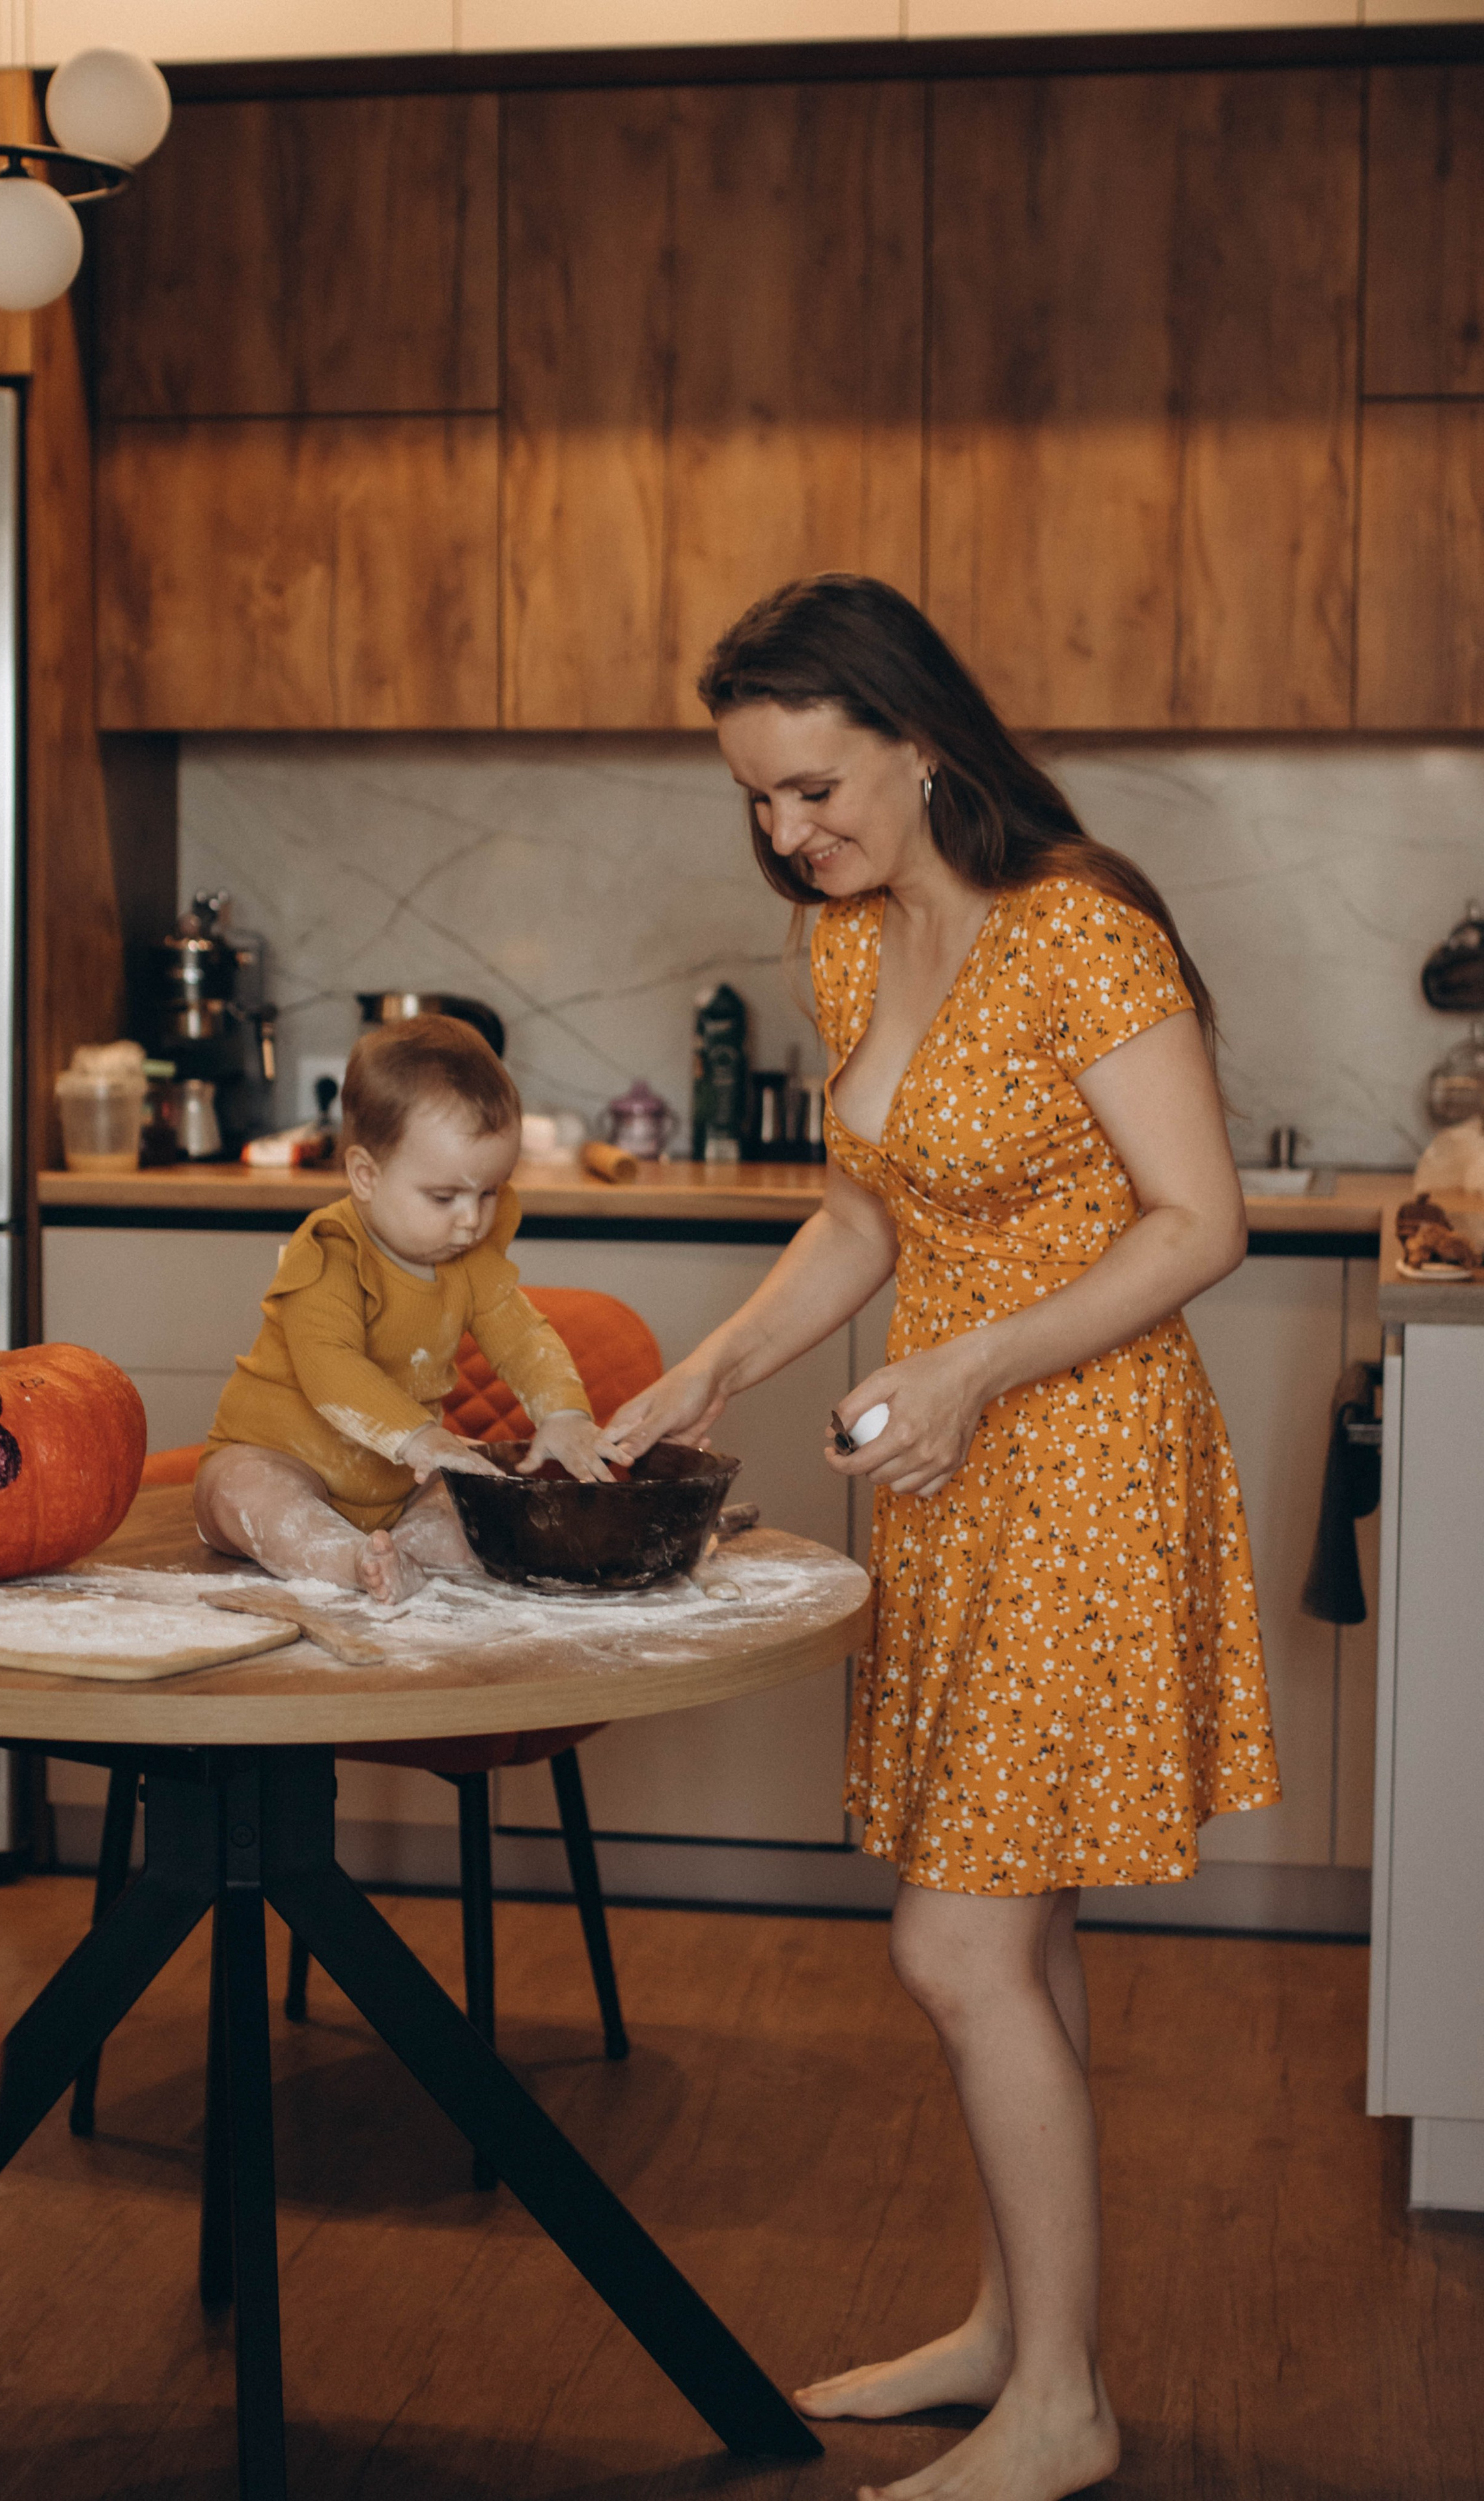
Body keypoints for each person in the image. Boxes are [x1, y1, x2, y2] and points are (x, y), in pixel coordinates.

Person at [604, 575, 1279, 2501]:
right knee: (1019, 1923)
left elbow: (1194, 1220)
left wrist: (978, 1359)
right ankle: (1015, 2327)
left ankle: (1063, 2407)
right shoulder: (850, 944)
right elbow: (866, 1214)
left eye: (811, 787)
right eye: (755, 798)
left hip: (1082, 1464)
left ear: (918, 740)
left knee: (954, 1943)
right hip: (954, 1474)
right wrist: (708, 1369)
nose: (784, 831)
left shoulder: (1081, 928)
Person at [196, 1014, 619, 1604]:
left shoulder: (468, 1256)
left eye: (489, 1192)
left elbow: (523, 1336)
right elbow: (330, 1369)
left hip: (397, 1487)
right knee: (243, 1490)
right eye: (444, 1197)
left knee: (471, 1496)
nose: (471, 1219)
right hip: (283, 1460)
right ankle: (345, 1559)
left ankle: (401, 1557)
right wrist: (420, 1437)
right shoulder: (331, 1251)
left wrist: (564, 1414)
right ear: (366, 1175)